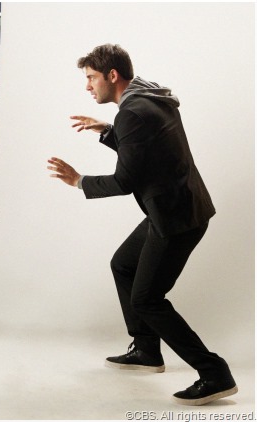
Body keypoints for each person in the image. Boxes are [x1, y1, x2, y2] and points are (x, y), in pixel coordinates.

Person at [46, 44, 236, 406]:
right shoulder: (147, 95)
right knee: (123, 264)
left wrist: (78, 180)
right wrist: (107, 130)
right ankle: (147, 349)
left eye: (91, 78)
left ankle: (214, 372)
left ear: (112, 76)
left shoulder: (132, 113)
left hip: (175, 218)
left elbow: (125, 180)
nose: (87, 86)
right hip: (178, 207)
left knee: (147, 299)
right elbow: (145, 150)